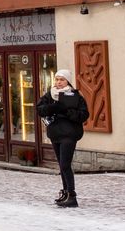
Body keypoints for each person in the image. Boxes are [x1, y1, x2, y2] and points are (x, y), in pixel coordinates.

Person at [35, 68, 89, 208]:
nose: (59, 82)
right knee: (61, 165)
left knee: (65, 165)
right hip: (55, 134)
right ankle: (65, 192)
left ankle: (72, 196)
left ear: (67, 81)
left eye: (62, 80)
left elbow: (84, 115)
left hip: (69, 134)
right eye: (57, 79)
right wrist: (53, 107)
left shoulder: (76, 96)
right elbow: (40, 109)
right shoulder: (50, 95)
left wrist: (67, 111)